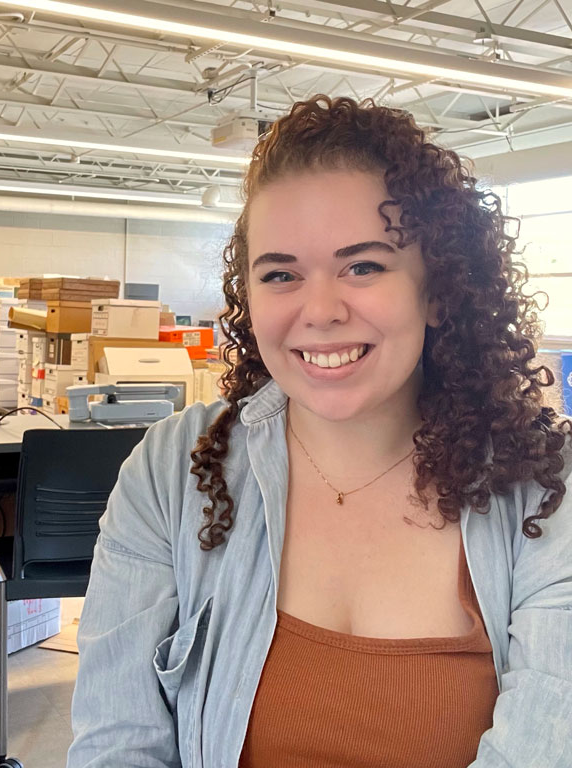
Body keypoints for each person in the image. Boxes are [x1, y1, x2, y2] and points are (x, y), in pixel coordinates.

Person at [66, 95, 572, 768]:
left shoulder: (545, 491)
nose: (321, 310)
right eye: (281, 274)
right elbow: (116, 742)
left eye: (363, 266)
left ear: (438, 287)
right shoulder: (174, 470)